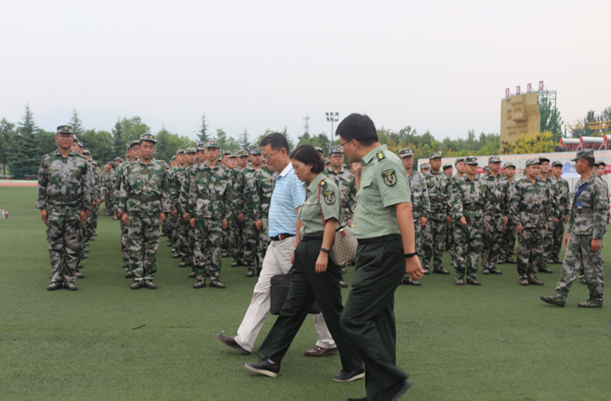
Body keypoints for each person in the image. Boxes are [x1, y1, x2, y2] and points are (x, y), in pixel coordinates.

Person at [245, 145, 364, 382]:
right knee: (292, 307)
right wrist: (298, 249)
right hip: (305, 252)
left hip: (320, 250)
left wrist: (323, 252)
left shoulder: (326, 186)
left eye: (297, 167)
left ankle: (354, 366)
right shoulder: (309, 189)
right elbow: (303, 222)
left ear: (311, 164)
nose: (295, 171)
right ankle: (272, 360)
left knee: (331, 310)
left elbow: (331, 222)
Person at [217, 133, 337, 357]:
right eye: (263, 156)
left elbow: (302, 213)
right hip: (276, 243)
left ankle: (329, 340)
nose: (265, 160)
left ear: (283, 152)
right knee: (262, 290)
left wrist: (297, 246)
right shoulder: (281, 176)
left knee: (310, 292)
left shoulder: (294, 176)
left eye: (268, 155)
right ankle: (244, 339)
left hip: (290, 242)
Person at [337, 114, 424, 401]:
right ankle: (379, 394)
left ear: (353, 142)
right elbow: (373, 205)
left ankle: (391, 381)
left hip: (383, 250)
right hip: (372, 249)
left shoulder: (387, 163)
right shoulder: (371, 165)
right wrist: (358, 175)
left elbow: (403, 207)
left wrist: (410, 254)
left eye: (342, 145)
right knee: (379, 321)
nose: (342, 151)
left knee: (352, 320)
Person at [540, 149, 607, 308]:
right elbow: (575, 210)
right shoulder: (580, 183)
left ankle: (596, 298)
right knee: (569, 263)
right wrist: (569, 231)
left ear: (585, 163)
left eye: (577, 162)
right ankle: (560, 295)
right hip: (577, 231)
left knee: (592, 266)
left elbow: (601, 212)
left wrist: (596, 237)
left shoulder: (598, 185)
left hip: (590, 233)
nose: (575, 165)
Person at [37, 125, 91, 291]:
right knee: (55, 244)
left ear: (73, 139)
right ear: (57, 138)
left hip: (74, 207)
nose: (65, 138)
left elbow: (86, 186)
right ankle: (56, 277)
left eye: (68, 136)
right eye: (62, 135)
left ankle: (69, 278)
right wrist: (42, 207)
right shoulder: (47, 159)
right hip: (53, 207)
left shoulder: (81, 161)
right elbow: (42, 184)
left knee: (72, 244)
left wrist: (85, 208)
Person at [117, 133, 170, 290]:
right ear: (139, 148)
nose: (148, 150)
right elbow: (124, 190)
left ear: (154, 149)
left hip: (153, 210)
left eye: (151, 147)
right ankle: (138, 276)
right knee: (135, 244)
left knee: (151, 246)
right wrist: (123, 211)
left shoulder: (161, 168)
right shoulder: (129, 168)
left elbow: (165, 191)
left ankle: (149, 277)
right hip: (134, 211)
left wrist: (164, 210)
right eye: (145, 146)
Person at [187, 140, 233, 289]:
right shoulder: (196, 171)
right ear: (204, 152)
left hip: (218, 215)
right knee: (199, 245)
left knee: (216, 247)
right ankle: (200, 277)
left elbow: (229, 197)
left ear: (218, 152)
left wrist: (226, 217)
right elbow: (192, 194)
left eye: (214, 149)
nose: (211, 152)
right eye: (209, 149)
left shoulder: (225, 172)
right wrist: (191, 214)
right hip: (200, 214)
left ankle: (214, 277)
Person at [509, 158, 552, 286]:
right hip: (525, 222)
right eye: (534, 167)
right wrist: (517, 223)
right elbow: (514, 205)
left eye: (538, 168)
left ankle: (532, 275)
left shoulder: (544, 185)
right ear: (527, 169)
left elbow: (548, 205)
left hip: (539, 222)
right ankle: (523, 275)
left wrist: (547, 221)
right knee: (524, 250)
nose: (536, 170)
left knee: (538, 251)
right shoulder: (520, 184)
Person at [325, 144, 357, 288]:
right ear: (329, 158)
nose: (338, 158)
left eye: (340, 156)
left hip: (343, 217)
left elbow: (354, 198)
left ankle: (340, 276)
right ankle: (328, 276)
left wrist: (353, 217)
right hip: (326, 216)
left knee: (341, 246)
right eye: (335, 156)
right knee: (327, 245)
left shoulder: (349, 176)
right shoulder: (323, 175)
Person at [452, 157, 486, 285]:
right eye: (470, 165)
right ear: (465, 166)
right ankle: (460, 275)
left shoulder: (482, 183)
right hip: (463, 219)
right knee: (460, 248)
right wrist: (460, 215)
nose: (473, 167)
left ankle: (472, 275)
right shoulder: (458, 182)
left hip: (477, 220)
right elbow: (456, 200)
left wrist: (484, 216)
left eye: (475, 165)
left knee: (475, 249)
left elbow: (486, 202)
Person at [398, 147, 429, 286]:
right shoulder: (396, 175)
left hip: (415, 216)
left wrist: (425, 214)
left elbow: (425, 197)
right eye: (405, 158)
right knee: (398, 246)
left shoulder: (420, 176)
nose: (408, 160)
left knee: (414, 245)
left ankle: (409, 276)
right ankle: (397, 276)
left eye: (410, 157)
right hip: (398, 217)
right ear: (400, 159)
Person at [422, 152, 452, 275]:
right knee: (427, 240)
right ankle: (425, 265)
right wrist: (423, 214)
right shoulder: (424, 177)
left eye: (439, 160)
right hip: (430, 213)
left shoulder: (446, 177)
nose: (438, 162)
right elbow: (422, 196)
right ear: (430, 162)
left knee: (440, 241)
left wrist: (449, 213)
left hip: (442, 213)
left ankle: (438, 266)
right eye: (435, 160)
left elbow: (449, 196)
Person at [480, 156, 508, 275]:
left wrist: (506, 214)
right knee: (487, 239)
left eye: (498, 163)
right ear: (489, 165)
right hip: (488, 213)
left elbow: (508, 197)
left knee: (498, 239)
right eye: (494, 163)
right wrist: (481, 215)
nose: (497, 165)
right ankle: (485, 264)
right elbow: (480, 198)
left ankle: (492, 264)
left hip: (500, 213)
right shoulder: (483, 180)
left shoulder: (504, 179)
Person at [242, 146, 264, 276]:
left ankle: (262, 267)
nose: (257, 157)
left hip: (263, 211)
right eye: (254, 155)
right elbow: (237, 193)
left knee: (262, 241)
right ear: (250, 157)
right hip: (248, 211)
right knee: (249, 240)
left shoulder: (267, 172)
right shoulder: (243, 173)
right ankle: (250, 266)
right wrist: (239, 211)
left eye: (259, 155)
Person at [537, 157, 557, 274]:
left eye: (547, 164)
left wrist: (555, 215)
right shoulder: (534, 181)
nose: (546, 166)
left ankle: (542, 263)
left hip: (549, 216)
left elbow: (556, 200)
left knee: (548, 241)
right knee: (537, 241)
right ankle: (534, 263)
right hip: (537, 216)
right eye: (543, 164)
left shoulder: (553, 182)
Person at [549, 160, 570, 264]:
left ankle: (555, 255)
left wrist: (567, 213)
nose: (558, 170)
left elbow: (567, 199)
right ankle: (547, 256)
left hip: (561, 213)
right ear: (552, 168)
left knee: (559, 235)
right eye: (556, 168)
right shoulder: (547, 181)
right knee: (549, 235)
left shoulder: (564, 183)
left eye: (560, 168)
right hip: (551, 213)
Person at [499, 162, 517, 264]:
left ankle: (509, 255)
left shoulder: (517, 184)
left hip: (513, 213)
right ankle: (501, 255)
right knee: (502, 235)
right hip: (503, 212)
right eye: (509, 169)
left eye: (512, 169)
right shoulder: (500, 182)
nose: (511, 171)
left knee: (512, 235)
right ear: (503, 171)